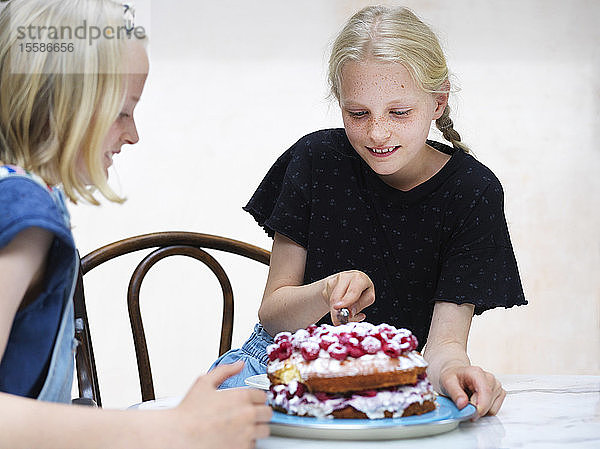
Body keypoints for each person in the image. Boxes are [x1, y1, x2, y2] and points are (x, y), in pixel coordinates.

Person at [211, 5, 526, 419]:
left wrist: (456, 372)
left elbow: (444, 347)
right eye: (357, 113)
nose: (377, 133)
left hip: (386, 391)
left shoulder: (473, 192)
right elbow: (273, 315)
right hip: (271, 373)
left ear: (438, 102)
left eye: (399, 112)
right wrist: (325, 293)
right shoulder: (316, 159)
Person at [0, 1, 270, 448]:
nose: (133, 133)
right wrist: (170, 428)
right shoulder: (23, 210)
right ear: (63, 105)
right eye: (123, 110)